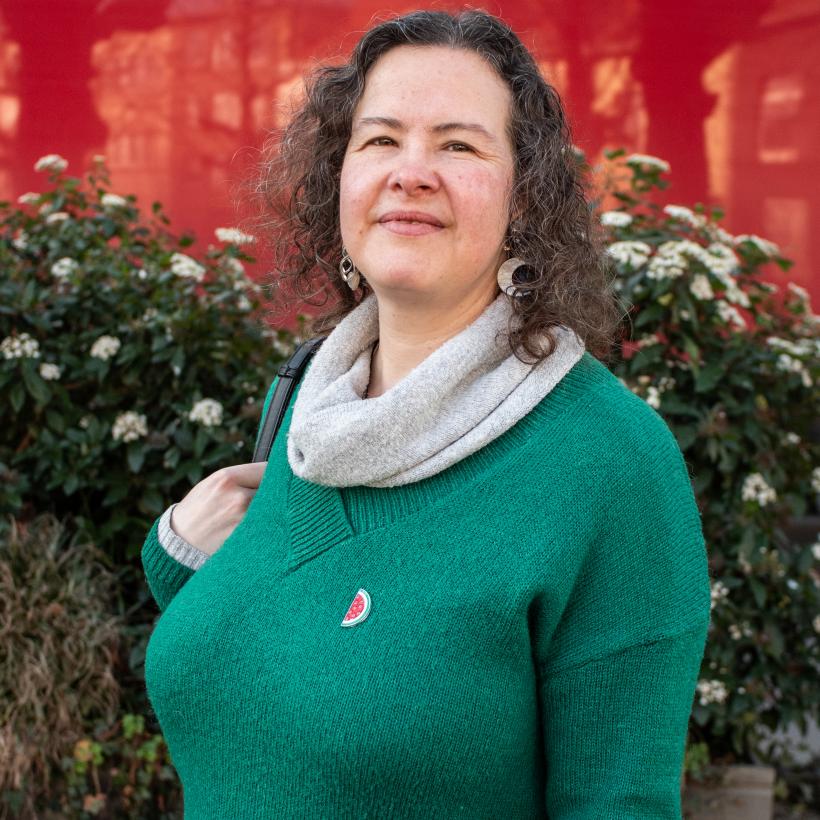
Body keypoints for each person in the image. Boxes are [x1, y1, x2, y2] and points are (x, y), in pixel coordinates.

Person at [141, 9, 711, 818]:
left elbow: (618, 801)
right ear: (340, 180)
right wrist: (178, 563)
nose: (410, 172)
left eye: (458, 144)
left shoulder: (610, 462)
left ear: (525, 198)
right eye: (379, 140)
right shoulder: (309, 403)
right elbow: (286, 667)